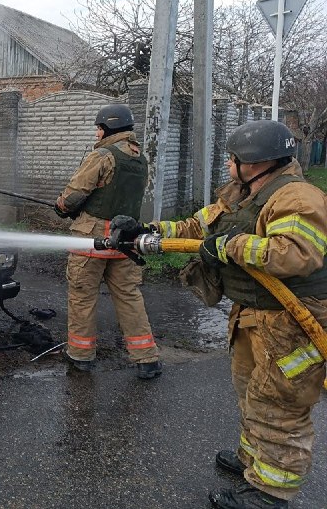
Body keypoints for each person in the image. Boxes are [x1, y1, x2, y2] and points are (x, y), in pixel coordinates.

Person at [113, 119, 327, 508]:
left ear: (256, 161)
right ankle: (254, 461)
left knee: (279, 405)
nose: (228, 164)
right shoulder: (242, 194)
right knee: (251, 393)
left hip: (291, 323)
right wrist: (146, 230)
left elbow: (296, 254)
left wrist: (231, 245)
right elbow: (197, 227)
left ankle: (270, 492)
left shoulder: (297, 198)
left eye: (233, 158)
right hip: (253, 315)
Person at [54, 103, 162, 379]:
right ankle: (147, 358)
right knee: (129, 297)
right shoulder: (139, 159)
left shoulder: (102, 155)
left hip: (92, 241)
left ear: (108, 128)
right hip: (126, 242)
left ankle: (80, 355)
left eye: (98, 128)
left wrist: (62, 207)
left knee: (82, 297)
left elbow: (75, 195)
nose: (96, 134)